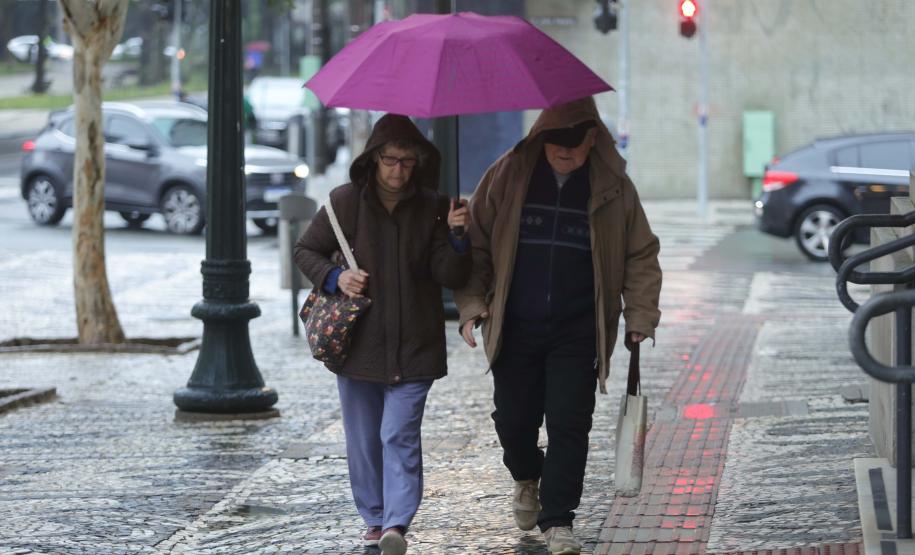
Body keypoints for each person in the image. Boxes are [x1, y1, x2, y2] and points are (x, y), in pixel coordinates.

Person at [454, 97, 662, 555]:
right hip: (515, 324)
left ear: (594, 138)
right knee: (513, 421)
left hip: (578, 328)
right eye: (555, 145)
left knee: (570, 424)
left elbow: (640, 254)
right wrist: (472, 305)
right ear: (541, 138)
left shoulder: (614, 187)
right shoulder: (507, 175)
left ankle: (559, 521)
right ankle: (527, 475)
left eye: (575, 145)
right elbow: (478, 247)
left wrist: (640, 315)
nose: (564, 153)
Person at [293, 114, 471, 555]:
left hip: (416, 344)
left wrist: (458, 237)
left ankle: (396, 523)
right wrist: (335, 277)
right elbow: (305, 250)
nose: (399, 170)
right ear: (373, 160)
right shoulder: (344, 203)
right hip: (358, 346)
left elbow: (449, 273)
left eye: (409, 162)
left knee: (399, 433)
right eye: (391, 160)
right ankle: (374, 518)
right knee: (363, 438)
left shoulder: (435, 206)